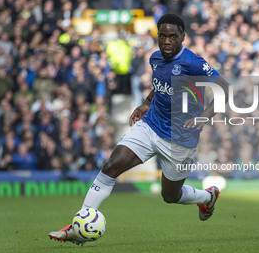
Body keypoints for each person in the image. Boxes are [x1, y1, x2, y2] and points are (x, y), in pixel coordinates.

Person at [49, 13, 229, 245]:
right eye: (162, 35)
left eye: (172, 36)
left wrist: (203, 118)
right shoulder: (155, 58)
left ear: (183, 36)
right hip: (151, 126)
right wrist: (146, 102)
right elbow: (160, 84)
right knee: (111, 166)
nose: (166, 41)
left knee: (170, 196)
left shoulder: (193, 63)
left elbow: (224, 88)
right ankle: (78, 224)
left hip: (180, 139)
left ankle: (207, 196)